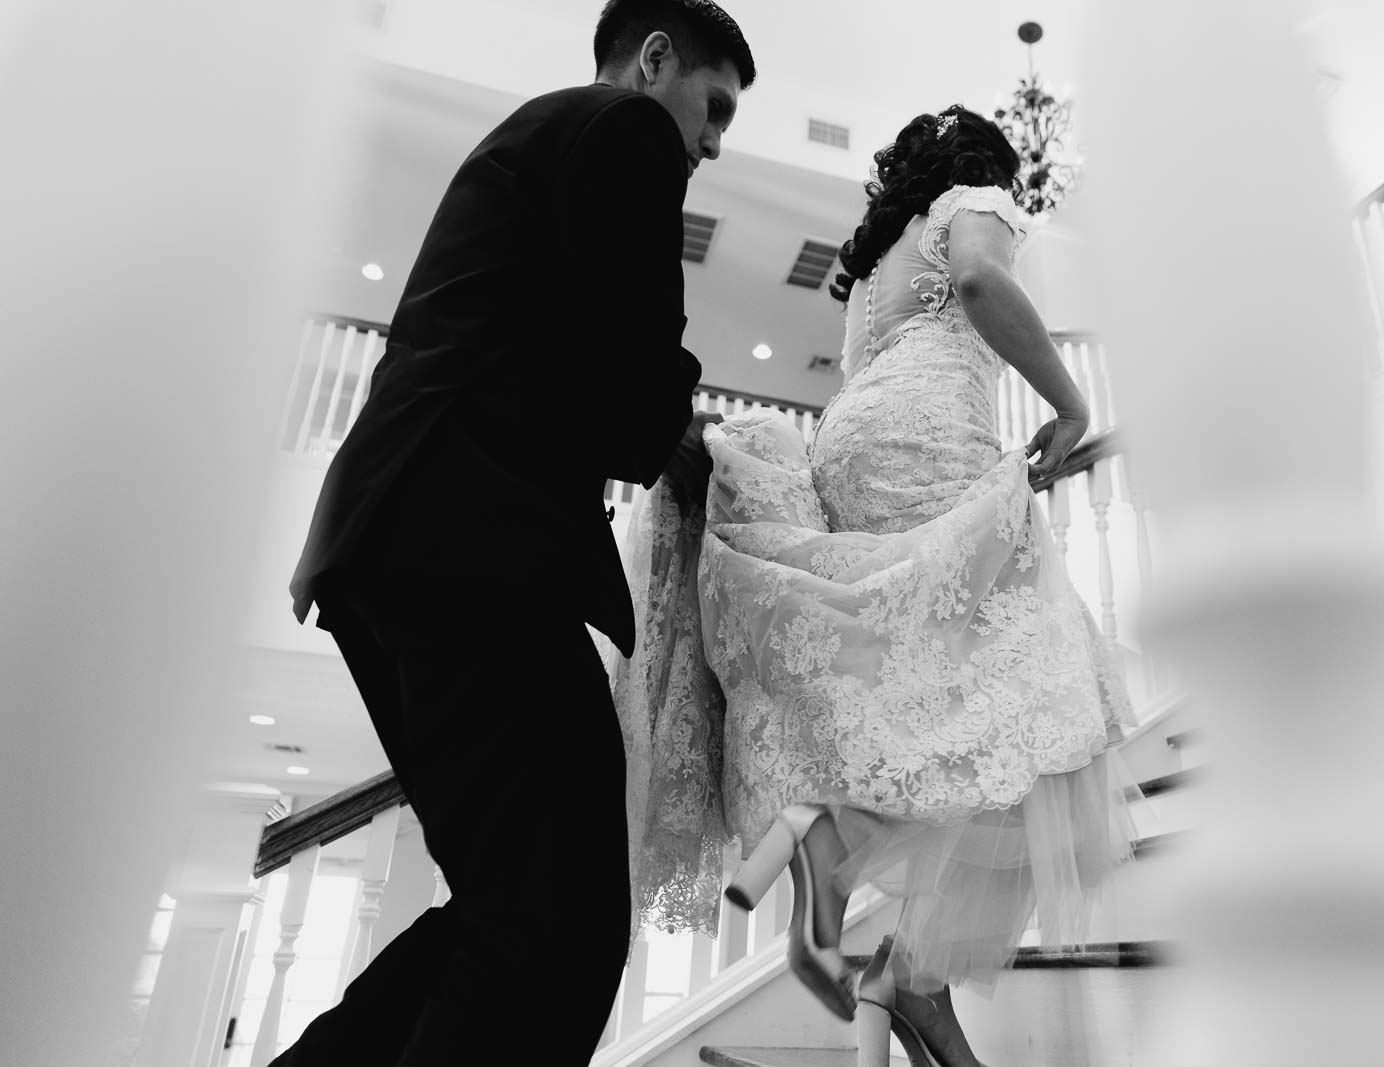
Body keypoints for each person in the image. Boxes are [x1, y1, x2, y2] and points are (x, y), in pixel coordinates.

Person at [275, 2, 754, 1063]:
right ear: (655, 58)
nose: (713, 140)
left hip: (394, 544)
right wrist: (687, 433)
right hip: (466, 549)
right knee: (564, 918)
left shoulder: (540, 141)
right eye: (713, 106)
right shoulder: (620, 130)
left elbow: (571, 356)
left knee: (510, 906)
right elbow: (633, 380)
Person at [616, 105, 1139, 1066]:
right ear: (988, 168)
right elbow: (980, 279)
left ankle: (854, 907)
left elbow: (881, 362)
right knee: (1060, 713)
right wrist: (1069, 402)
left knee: (922, 691)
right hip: (931, 437)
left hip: (849, 445)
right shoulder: (977, 206)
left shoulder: (872, 268)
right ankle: (904, 963)